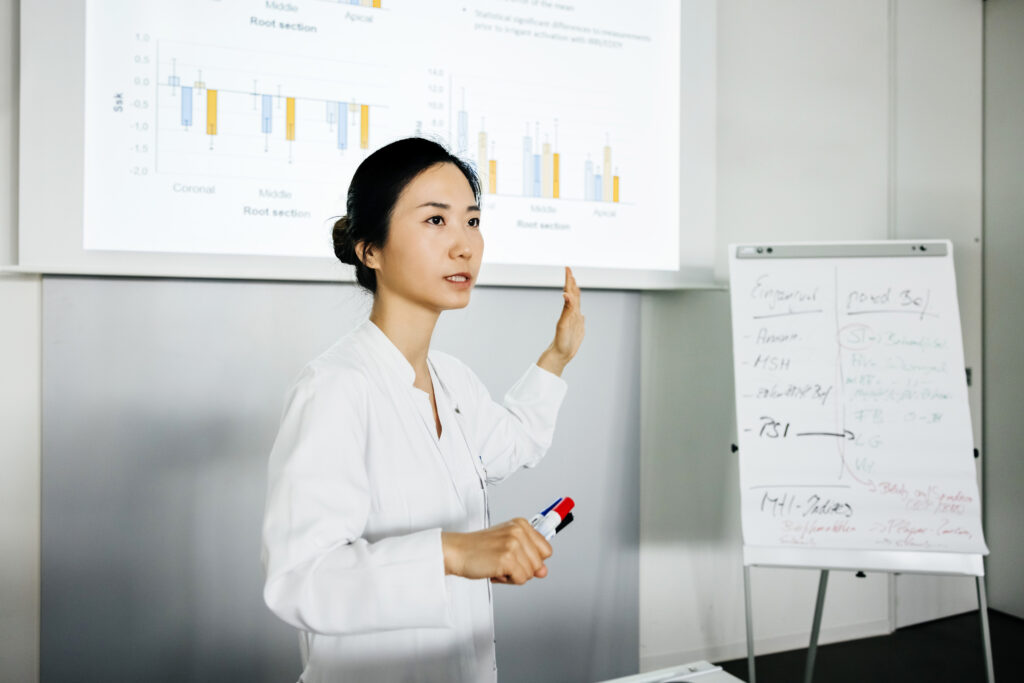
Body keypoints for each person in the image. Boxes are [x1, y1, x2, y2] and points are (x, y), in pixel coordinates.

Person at [261, 137, 585, 683]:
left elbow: (513, 444)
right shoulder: (335, 388)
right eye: (436, 220)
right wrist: (454, 553)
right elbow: (300, 579)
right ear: (371, 250)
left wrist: (557, 356)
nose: (465, 246)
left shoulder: (451, 379)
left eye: (473, 221)